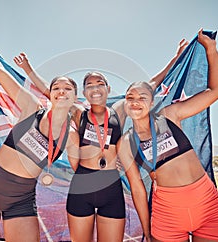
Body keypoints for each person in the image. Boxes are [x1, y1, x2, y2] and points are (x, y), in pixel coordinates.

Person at [14, 41, 187, 241]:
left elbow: (148, 86)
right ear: (84, 93)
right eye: (89, 85)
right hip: (82, 186)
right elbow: (51, 92)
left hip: (111, 187)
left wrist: (175, 60)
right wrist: (28, 68)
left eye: (100, 84)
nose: (95, 88)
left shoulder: (120, 111)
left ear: (108, 88)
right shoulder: (80, 113)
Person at [0, 11, 79, 242]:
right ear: (49, 94)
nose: (61, 91)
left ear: (74, 97)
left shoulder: (71, 135)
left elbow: (84, 165)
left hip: (21, 200)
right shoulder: (30, 108)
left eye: (67, 89)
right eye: (56, 88)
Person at [117, 29, 218, 242]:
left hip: (208, 206)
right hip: (167, 215)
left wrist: (211, 50)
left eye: (142, 97)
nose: (135, 100)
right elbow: (137, 189)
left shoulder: (169, 115)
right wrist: (147, 231)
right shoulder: (125, 142)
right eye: (130, 97)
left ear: (151, 102)